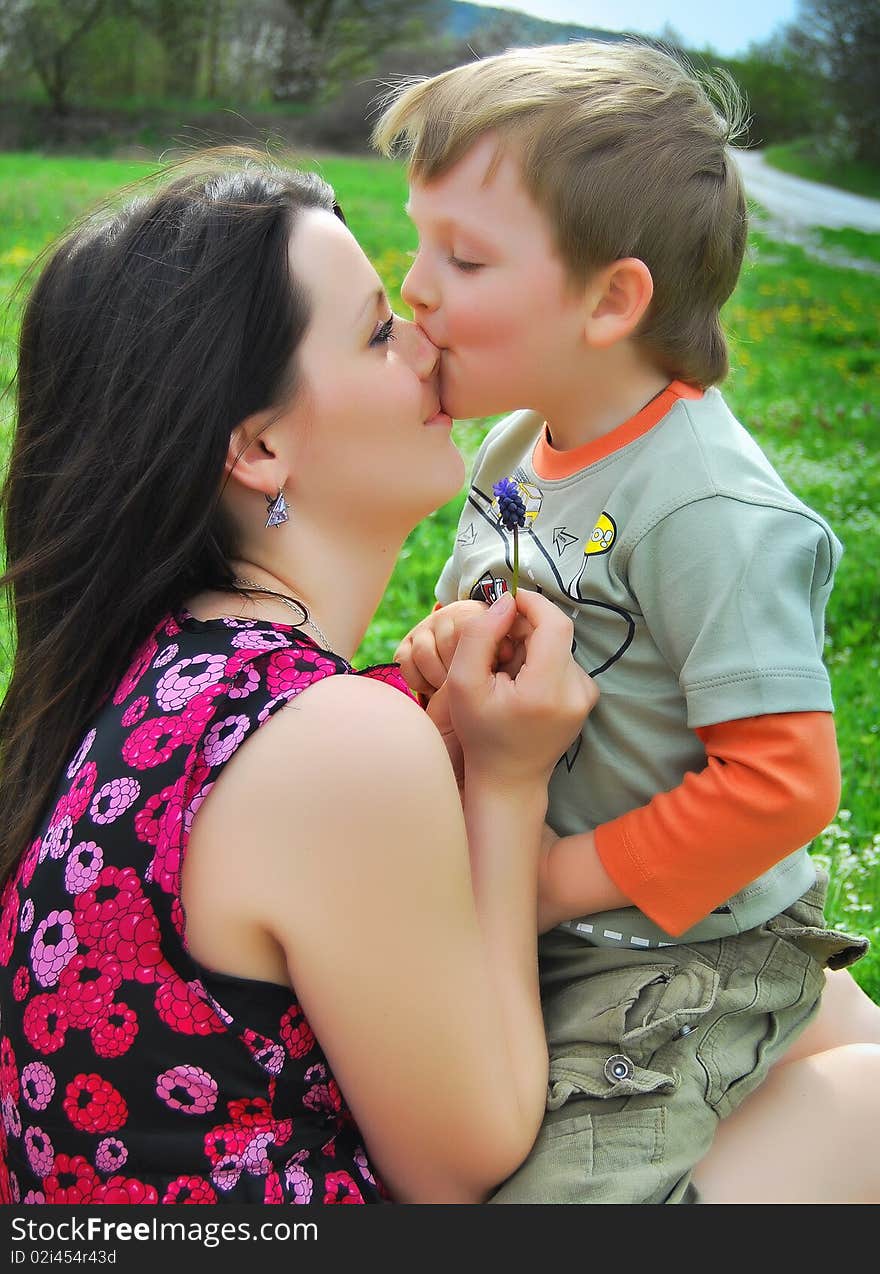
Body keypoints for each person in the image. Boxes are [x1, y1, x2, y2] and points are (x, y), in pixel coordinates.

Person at [0, 149, 597, 1205]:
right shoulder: (328, 739)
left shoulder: (141, 671)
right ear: (260, 448)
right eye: (378, 331)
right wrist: (508, 781)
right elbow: (463, 1161)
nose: (428, 341)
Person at [375, 41, 880, 1203]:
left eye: (464, 255)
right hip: (548, 914)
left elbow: (782, 786)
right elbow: (493, 622)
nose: (417, 287)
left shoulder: (707, 505)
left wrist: (545, 880)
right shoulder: (519, 445)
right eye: (419, 241)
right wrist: (437, 652)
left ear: (612, 299)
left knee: (566, 1189)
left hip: (681, 950)